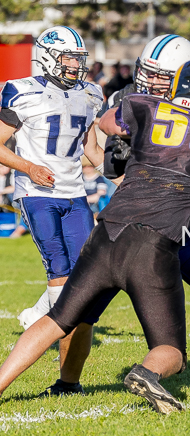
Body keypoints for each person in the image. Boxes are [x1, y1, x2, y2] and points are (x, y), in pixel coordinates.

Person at [0, 58, 190, 414]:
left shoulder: (148, 106)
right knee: (172, 352)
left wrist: (139, 135)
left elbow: (107, 122)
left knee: (57, 320)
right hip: (154, 247)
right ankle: (146, 372)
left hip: (106, 234)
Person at [52, 35, 190, 400]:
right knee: (80, 312)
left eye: (163, 76)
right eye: (149, 72)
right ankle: (67, 382)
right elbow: (111, 162)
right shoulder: (130, 104)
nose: (152, 81)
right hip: (134, 220)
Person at [0, 27, 105, 386]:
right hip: (37, 193)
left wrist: (122, 177)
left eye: (79, 58)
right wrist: (29, 167)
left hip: (75, 195)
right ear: (48, 56)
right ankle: (64, 378)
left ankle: (42, 321)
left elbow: (92, 150)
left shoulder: (90, 94)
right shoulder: (21, 91)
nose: (76, 65)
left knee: (87, 280)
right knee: (62, 281)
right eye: (69, 58)